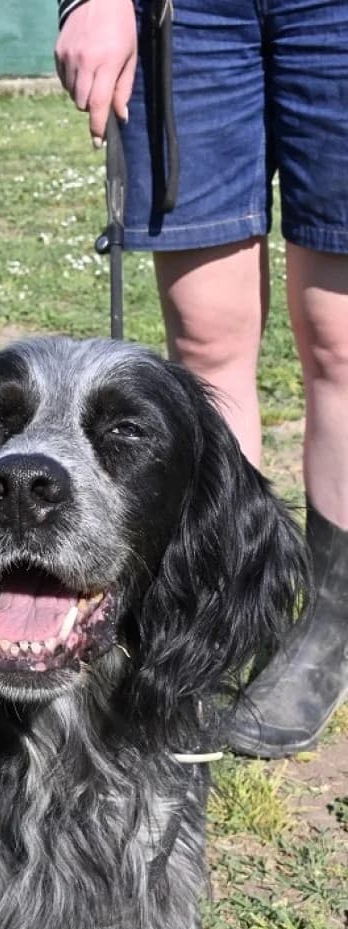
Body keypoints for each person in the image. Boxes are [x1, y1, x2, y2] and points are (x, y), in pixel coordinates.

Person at [55, 0, 348, 758]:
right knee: (204, 339)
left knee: (340, 340)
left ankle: (327, 624)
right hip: (190, 16)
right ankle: (218, 615)